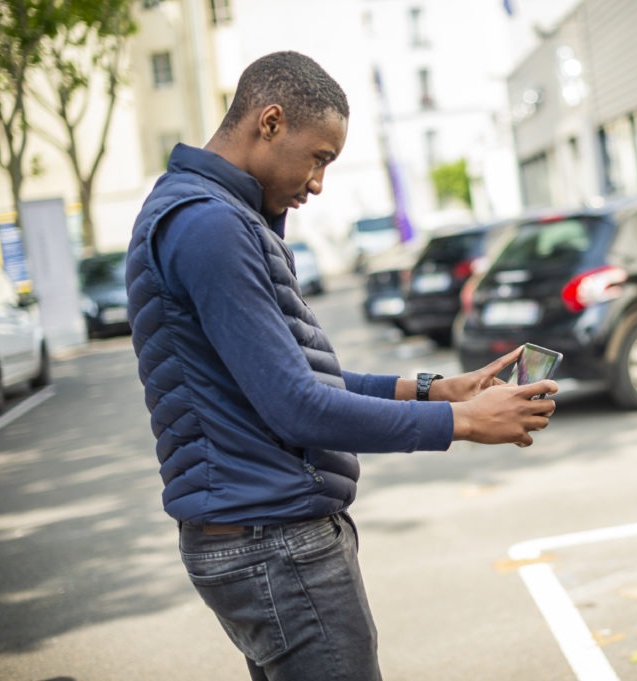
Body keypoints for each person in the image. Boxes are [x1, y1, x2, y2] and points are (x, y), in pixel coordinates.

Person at [124, 50, 557, 681]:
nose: (320, 181)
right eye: (319, 157)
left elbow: (296, 380)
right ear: (269, 122)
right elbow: (297, 406)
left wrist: (435, 391)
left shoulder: (220, 217)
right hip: (271, 542)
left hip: (262, 538)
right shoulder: (209, 226)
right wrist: (461, 423)